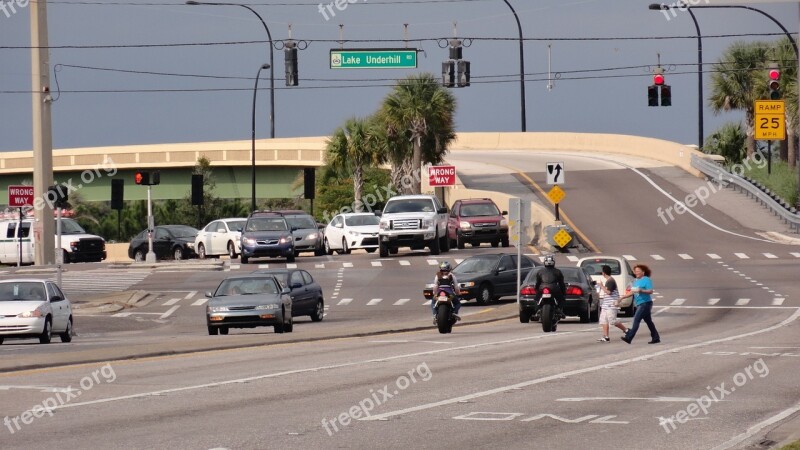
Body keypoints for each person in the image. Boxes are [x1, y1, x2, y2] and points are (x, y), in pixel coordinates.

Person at [619, 264, 660, 344]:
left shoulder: (646, 279)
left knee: (636, 320)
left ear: (643, 272)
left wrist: (641, 290)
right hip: (639, 303)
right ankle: (656, 337)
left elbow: (650, 291)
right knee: (649, 322)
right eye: (635, 271)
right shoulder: (636, 281)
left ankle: (629, 337)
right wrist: (622, 298)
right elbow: (632, 292)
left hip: (645, 303)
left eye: (638, 271)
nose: (636, 273)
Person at [597, 265, 629, 342]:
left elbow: (609, 292)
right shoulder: (608, 281)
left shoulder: (611, 281)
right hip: (605, 305)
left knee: (612, 321)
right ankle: (606, 337)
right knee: (603, 320)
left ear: (603, 273)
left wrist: (601, 286)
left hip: (611, 304)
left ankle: (626, 330)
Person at [534, 254, 566, 319]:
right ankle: (559, 309)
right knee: (562, 299)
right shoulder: (558, 271)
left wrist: (536, 289)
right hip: (554, 288)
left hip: (542, 288)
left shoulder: (540, 271)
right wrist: (564, 292)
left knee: (536, 299)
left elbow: (538, 283)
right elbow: (561, 284)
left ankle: (537, 310)